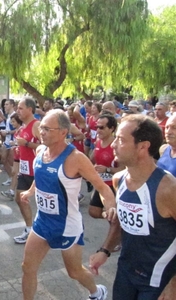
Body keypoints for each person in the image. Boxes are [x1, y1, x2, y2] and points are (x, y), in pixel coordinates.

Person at [20, 110, 117, 300]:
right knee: (27, 268)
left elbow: (103, 188)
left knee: (74, 272)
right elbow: (40, 176)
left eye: (47, 129)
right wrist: (31, 191)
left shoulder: (76, 158)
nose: (42, 132)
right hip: (42, 222)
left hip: (67, 226)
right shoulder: (40, 151)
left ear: (63, 132)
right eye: (41, 128)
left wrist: (110, 206)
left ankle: (97, 292)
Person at [90, 114, 176, 300]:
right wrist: (105, 250)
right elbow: (122, 222)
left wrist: (174, 285)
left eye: (120, 139)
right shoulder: (118, 179)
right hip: (125, 273)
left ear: (143, 147)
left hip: (158, 282)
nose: (113, 145)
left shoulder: (168, 188)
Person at [13, 98, 41, 244]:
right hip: (25, 170)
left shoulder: (36, 125)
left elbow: (47, 147)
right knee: (19, 198)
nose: (18, 111)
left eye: (21, 108)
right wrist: (19, 148)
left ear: (30, 109)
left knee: (44, 203)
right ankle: (29, 229)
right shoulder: (23, 127)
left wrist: (27, 144)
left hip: (36, 171)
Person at [89, 114, 124, 219]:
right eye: (96, 127)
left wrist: (107, 170)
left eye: (101, 127)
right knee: (93, 211)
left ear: (112, 128)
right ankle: (117, 220)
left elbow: (124, 169)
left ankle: (118, 223)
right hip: (101, 183)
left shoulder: (116, 145)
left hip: (114, 185)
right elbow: (92, 159)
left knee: (112, 217)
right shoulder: (98, 142)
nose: (98, 130)